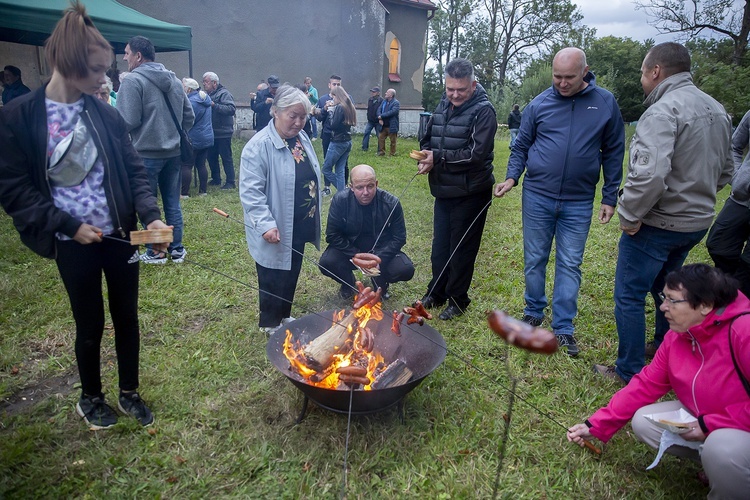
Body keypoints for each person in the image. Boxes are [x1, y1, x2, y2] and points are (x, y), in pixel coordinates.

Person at [0, 1, 170, 430]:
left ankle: (129, 391)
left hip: (119, 236)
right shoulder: (19, 117)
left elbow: (134, 171)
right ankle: (90, 397)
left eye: (107, 69)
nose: (105, 79)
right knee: (90, 322)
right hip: (71, 241)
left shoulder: (105, 114)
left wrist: (150, 217)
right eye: (96, 71)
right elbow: (13, 189)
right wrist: (68, 226)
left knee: (126, 316)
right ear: (66, 63)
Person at [602, 42, 734, 383]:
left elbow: (649, 176)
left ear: (655, 72)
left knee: (630, 294)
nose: (643, 79)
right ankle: (666, 352)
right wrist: (696, 196)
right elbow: (726, 169)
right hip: (696, 222)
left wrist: (630, 216)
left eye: (644, 73)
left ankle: (628, 370)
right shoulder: (717, 109)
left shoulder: (662, 112)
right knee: (668, 289)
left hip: (658, 223)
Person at [567, 264, 750, 500]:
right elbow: (645, 384)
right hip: (711, 420)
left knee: (721, 448)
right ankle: (721, 465)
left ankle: (727, 468)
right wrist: (595, 425)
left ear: (705, 305)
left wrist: (710, 424)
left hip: (733, 425)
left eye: (673, 301)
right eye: (664, 297)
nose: (663, 306)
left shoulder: (743, 331)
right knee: (645, 422)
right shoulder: (679, 334)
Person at [494, 47, 625, 356]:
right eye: (557, 77)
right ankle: (534, 310)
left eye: (569, 77)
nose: (562, 83)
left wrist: (609, 196)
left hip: (579, 201)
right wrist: (512, 177)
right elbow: (521, 145)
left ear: (585, 71)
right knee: (535, 257)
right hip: (538, 195)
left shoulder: (605, 103)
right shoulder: (539, 103)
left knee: (570, 263)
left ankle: (564, 327)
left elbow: (615, 151)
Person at [415, 58, 496, 321]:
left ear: (473, 84)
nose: (455, 95)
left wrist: (438, 158)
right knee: (440, 247)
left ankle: (458, 299)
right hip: (444, 189)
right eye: (450, 89)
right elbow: (429, 136)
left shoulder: (484, 111)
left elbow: (475, 154)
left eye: (460, 89)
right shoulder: (443, 103)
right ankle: (436, 292)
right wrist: (426, 154)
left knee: (461, 250)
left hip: (471, 192)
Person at [239, 85, 322, 335]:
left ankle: (284, 315)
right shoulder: (258, 147)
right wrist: (265, 224)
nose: (298, 122)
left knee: (292, 267)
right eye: (292, 116)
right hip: (276, 221)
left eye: (303, 116)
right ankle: (270, 323)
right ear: (275, 111)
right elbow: (251, 193)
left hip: (299, 219)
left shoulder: (300, 138)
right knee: (272, 271)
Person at [117, 35, 194, 265]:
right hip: (174, 153)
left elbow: (126, 120)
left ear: (138, 56)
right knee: (172, 203)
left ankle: (156, 252)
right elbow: (189, 117)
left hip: (145, 154)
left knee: (146, 205)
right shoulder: (174, 80)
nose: (124, 57)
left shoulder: (132, 81)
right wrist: (171, 133)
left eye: (127, 53)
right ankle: (177, 250)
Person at [319, 164, 414, 299]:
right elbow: (333, 236)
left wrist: (379, 259)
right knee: (327, 262)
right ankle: (348, 283)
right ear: (351, 187)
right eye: (359, 187)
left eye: (370, 186)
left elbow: (399, 237)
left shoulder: (391, 203)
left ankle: (381, 284)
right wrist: (357, 255)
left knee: (405, 269)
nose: (365, 192)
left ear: (376, 183)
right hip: (350, 249)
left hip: (381, 250)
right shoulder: (340, 201)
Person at [707, 109, 750, 298]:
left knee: (748, 263)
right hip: (741, 198)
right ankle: (735, 291)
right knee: (718, 244)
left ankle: (737, 305)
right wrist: (739, 175)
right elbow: (734, 145)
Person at [202, 71, 236, 189]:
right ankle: (216, 179)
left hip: (223, 132)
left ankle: (231, 182)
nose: (204, 84)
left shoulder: (224, 94)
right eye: (203, 82)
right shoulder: (208, 94)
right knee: (211, 157)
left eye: (206, 82)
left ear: (214, 83)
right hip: (212, 132)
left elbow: (231, 109)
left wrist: (214, 105)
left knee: (226, 158)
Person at [181, 77, 213, 198]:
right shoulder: (205, 98)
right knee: (201, 164)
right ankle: (203, 191)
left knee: (187, 165)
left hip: (193, 138)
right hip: (206, 137)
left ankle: (184, 193)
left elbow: (188, 120)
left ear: (189, 89)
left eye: (184, 87)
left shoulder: (192, 102)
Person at [321, 85, 356, 193]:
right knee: (339, 170)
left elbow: (333, 126)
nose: (332, 99)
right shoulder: (348, 105)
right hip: (347, 141)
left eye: (333, 96)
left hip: (338, 142)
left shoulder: (340, 107)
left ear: (338, 96)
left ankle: (343, 191)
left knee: (326, 169)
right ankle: (343, 194)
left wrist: (331, 111)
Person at [314, 74, 342, 195]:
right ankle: (327, 187)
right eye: (334, 84)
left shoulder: (346, 98)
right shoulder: (322, 99)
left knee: (342, 163)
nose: (336, 86)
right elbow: (319, 118)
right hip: (327, 134)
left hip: (341, 136)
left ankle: (343, 187)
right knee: (327, 161)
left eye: (339, 84)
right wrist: (325, 109)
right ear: (329, 85)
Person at [377, 88, 400, 156]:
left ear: (391, 95)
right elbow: (379, 109)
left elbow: (392, 112)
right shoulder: (384, 102)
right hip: (383, 125)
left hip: (391, 125)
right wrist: (379, 118)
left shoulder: (396, 103)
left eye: (387, 92)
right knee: (381, 138)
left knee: (393, 140)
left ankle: (392, 153)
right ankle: (381, 152)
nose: (385, 93)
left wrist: (382, 116)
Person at [362, 86, 382, 151]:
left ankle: (380, 149)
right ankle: (364, 148)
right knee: (366, 133)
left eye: (374, 92)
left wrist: (381, 119)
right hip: (370, 121)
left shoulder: (382, 101)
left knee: (379, 135)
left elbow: (382, 110)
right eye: (372, 92)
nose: (372, 93)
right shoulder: (370, 99)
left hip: (377, 121)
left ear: (378, 93)